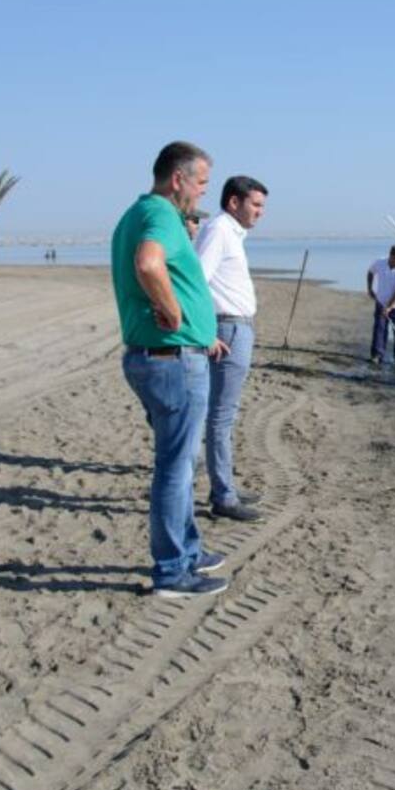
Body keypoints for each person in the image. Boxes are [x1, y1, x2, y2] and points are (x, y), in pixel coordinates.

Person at [111, 141, 229, 597]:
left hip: (167, 358)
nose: (202, 193)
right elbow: (148, 263)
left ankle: (189, 551)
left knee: (182, 461)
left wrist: (198, 329)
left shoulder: (141, 213)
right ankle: (171, 571)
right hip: (170, 361)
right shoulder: (159, 213)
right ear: (178, 179)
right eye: (200, 183)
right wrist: (176, 315)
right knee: (175, 467)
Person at [194, 176, 268, 523]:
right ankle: (223, 495)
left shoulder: (230, 233)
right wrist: (206, 332)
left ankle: (224, 487)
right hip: (227, 328)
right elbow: (196, 280)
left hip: (235, 327)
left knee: (222, 414)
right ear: (234, 202)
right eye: (255, 205)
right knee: (221, 417)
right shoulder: (220, 230)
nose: (260, 212)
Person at [366, 245, 395, 366]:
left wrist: (390, 307)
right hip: (381, 302)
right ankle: (377, 355)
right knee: (379, 329)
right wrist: (370, 288)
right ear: (391, 256)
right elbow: (370, 272)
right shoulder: (379, 262)